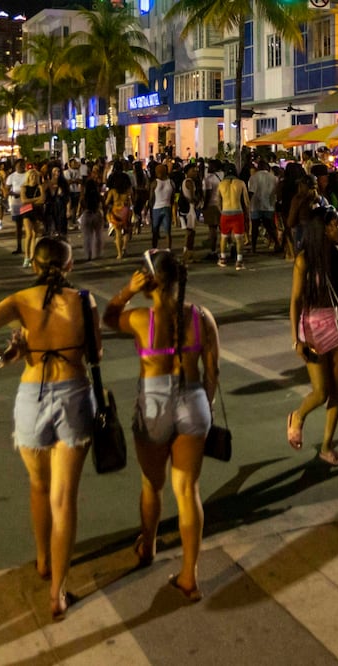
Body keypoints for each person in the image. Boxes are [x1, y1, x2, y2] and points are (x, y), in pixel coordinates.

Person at [0, 238, 99, 621]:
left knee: (38, 486)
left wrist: (5, 355)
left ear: (34, 264)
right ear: (69, 264)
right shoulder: (83, 300)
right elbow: (97, 355)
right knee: (64, 498)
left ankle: (43, 560)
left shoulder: (21, 299)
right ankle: (57, 592)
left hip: (32, 394)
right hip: (74, 393)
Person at [102, 249, 220, 603]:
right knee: (188, 491)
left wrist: (126, 291)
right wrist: (205, 406)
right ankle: (189, 576)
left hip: (154, 404)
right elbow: (213, 371)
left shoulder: (141, 319)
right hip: (194, 398)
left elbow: (108, 318)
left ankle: (149, 545)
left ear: (150, 280)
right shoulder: (201, 317)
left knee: (152, 485)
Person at [288, 207, 338, 466]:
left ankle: (326, 446)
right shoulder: (303, 260)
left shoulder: (336, 253)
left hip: (336, 325)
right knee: (321, 392)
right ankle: (298, 416)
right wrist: (296, 340)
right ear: (322, 228)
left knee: (337, 390)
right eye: (334, 225)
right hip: (311, 327)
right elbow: (296, 301)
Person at [217, 164, 250, 270]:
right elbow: (246, 201)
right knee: (239, 238)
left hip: (225, 212)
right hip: (238, 211)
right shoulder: (241, 183)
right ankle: (239, 261)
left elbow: (218, 201)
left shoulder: (221, 184)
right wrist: (247, 213)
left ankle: (222, 259)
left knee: (224, 237)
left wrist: (221, 211)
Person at [104, 162, 134, 259]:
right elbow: (131, 194)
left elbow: (107, 202)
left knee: (117, 233)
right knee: (126, 230)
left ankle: (119, 253)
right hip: (126, 209)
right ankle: (125, 247)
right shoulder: (126, 180)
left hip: (116, 210)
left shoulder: (113, 191)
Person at [249, 159, 279, 254]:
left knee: (255, 227)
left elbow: (251, 192)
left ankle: (253, 247)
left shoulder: (253, 177)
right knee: (270, 227)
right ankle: (277, 243)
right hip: (269, 205)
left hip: (256, 205)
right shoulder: (274, 178)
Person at [20, 169, 47, 268]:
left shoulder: (39, 187)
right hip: (27, 211)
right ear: (28, 177)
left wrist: (33, 200)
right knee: (29, 233)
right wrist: (36, 199)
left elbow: (43, 199)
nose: (33, 178)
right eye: (31, 176)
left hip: (37, 211)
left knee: (36, 234)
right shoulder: (24, 187)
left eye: (35, 176)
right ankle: (26, 257)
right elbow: (24, 200)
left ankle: (32, 256)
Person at [77, 166, 105, 262]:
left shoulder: (84, 195)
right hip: (96, 212)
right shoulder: (97, 194)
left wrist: (78, 212)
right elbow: (102, 202)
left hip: (87, 213)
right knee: (98, 234)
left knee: (87, 235)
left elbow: (81, 203)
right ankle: (97, 252)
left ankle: (88, 253)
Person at [149, 163, 175, 251]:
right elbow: (173, 196)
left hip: (156, 208)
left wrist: (150, 207)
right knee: (168, 231)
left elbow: (151, 198)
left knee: (155, 231)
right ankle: (168, 249)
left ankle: (154, 248)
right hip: (167, 207)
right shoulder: (170, 182)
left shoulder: (155, 183)